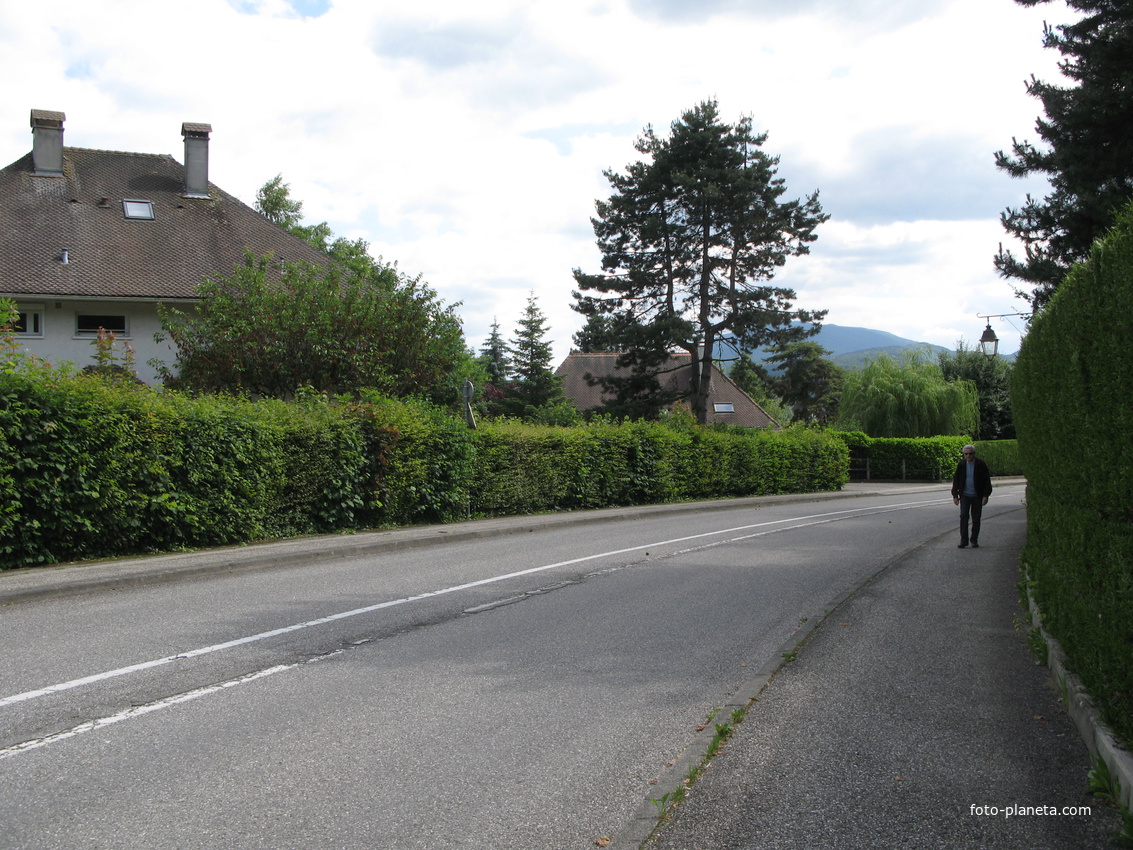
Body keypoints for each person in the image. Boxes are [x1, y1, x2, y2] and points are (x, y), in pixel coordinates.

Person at [951, 444, 992, 548]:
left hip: (977, 496)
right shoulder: (961, 465)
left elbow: (987, 481)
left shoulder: (980, 465)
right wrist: (955, 495)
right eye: (966, 454)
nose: (968, 456)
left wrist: (985, 495)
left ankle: (974, 539)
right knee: (964, 516)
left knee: (976, 518)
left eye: (970, 454)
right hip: (965, 495)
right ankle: (963, 541)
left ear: (974, 454)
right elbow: (956, 480)